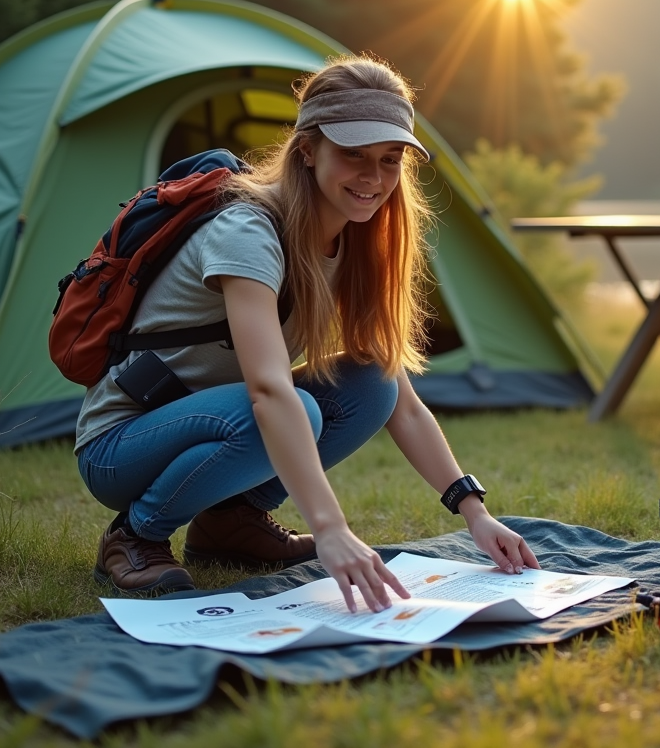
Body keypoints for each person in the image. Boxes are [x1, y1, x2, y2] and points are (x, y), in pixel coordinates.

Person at [75, 55, 540, 613]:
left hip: (218, 422)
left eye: (390, 160)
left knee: (374, 381)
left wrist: (474, 511)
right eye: (353, 156)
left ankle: (230, 521)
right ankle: (135, 533)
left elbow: (405, 407)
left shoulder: (355, 241)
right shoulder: (248, 229)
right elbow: (268, 391)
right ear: (307, 150)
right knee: (288, 406)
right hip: (120, 445)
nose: (373, 178)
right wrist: (331, 528)